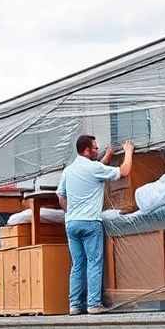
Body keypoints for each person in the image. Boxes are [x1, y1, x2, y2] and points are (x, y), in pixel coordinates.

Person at [56, 135, 134, 315]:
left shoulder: (69, 170)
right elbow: (124, 171)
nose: (98, 150)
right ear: (86, 150)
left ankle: (74, 305)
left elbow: (61, 197)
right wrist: (128, 151)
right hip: (91, 223)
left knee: (77, 265)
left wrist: (72, 212)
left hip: (72, 224)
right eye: (95, 148)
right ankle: (93, 304)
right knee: (94, 263)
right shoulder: (94, 168)